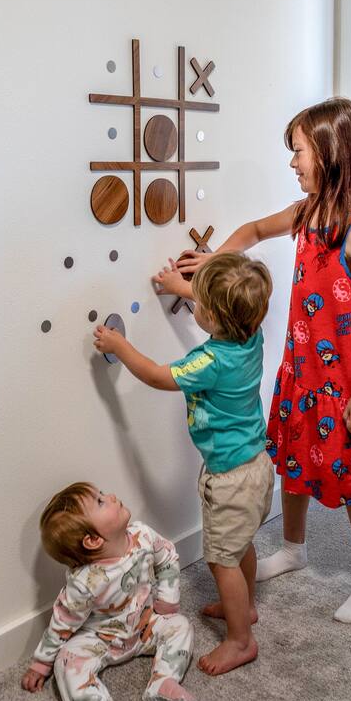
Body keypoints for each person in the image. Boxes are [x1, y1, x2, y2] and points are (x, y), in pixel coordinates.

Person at [173, 98, 351, 624]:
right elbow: (250, 231)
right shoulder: (304, 215)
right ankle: (294, 547)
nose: (291, 164)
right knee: (294, 464)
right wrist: (213, 265)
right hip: (299, 374)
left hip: (342, 384)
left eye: (298, 153)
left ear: (331, 154)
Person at [94, 252, 274, 675]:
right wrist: (182, 287)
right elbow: (223, 306)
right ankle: (243, 608)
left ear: (215, 317)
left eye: (200, 305)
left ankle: (240, 641)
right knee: (240, 545)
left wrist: (120, 347)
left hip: (230, 477)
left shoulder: (210, 362)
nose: (197, 309)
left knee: (221, 559)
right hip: (255, 465)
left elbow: (158, 375)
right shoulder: (252, 335)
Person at [21, 482, 202, 701]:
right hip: (99, 638)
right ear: (92, 540)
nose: (111, 496)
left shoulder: (142, 536)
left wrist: (167, 601)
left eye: (102, 494)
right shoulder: (85, 582)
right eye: (101, 501)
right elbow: (62, 622)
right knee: (66, 663)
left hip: (143, 626)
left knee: (180, 625)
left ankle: (163, 681)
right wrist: (41, 662)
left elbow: (167, 557)